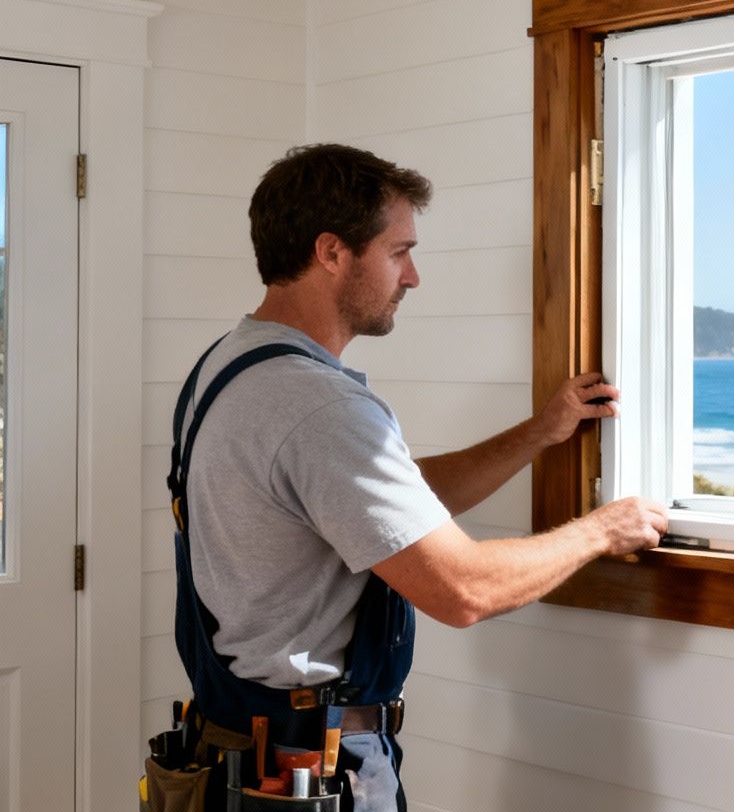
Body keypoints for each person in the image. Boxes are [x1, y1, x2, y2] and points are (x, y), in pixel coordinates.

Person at [168, 143, 665, 810]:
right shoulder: (319, 406)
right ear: (333, 253)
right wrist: (604, 529)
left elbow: (374, 507)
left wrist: (539, 434)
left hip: (233, 750)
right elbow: (463, 590)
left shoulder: (231, 364)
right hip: (301, 771)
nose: (413, 276)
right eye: (399, 251)